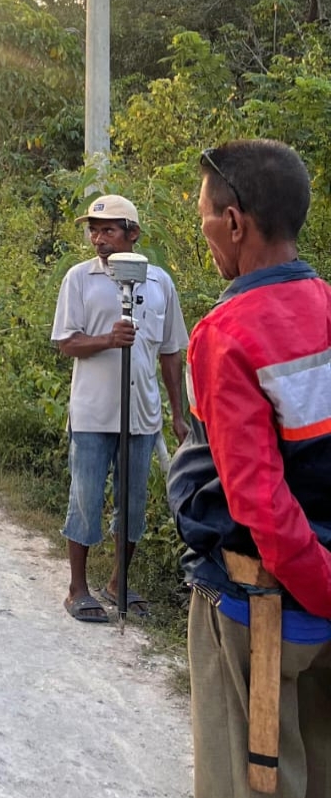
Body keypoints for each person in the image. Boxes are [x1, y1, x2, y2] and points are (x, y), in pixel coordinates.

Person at [168, 140, 331, 798]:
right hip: (321, 608)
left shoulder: (226, 331)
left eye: (205, 215)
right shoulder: (327, 303)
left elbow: (261, 504)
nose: (204, 231)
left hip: (258, 605)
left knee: (247, 780)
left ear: (234, 222)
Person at [51, 195, 189, 623]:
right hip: (93, 412)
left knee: (132, 505)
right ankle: (77, 588)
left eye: (108, 230)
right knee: (86, 499)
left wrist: (178, 414)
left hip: (141, 413)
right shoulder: (80, 278)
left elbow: (171, 352)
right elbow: (66, 342)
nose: (98, 238)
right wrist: (108, 341)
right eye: (93, 230)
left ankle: (118, 583)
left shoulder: (159, 283)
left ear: (133, 234)